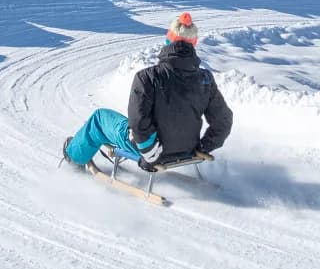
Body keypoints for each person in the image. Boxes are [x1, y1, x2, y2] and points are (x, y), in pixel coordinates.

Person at [62, 12, 233, 171]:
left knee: (99, 119)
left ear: (169, 40)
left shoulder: (148, 77)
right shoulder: (205, 79)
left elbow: (138, 122)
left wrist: (150, 156)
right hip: (188, 148)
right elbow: (223, 121)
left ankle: (73, 157)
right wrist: (204, 146)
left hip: (153, 152)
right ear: (193, 44)